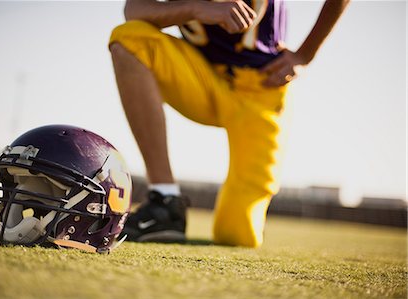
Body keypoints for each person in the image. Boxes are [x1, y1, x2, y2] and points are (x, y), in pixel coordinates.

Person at [109, 0, 349, 247]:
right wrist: (196, 8)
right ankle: (165, 199)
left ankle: (245, 213)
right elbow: (134, 9)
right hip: (201, 75)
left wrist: (305, 55)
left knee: (236, 234)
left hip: (263, 87)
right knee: (129, 38)